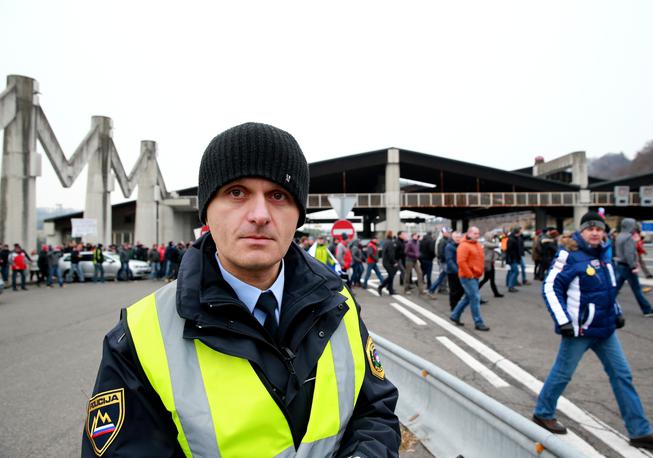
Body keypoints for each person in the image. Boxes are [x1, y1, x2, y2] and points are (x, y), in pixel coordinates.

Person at [82, 123, 400, 457]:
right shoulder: (139, 335)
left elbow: (375, 412)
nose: (260, 215)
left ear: (298, 215)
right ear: (207, 210)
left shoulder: (340, 304)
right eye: (236, 192)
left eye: (278, 195)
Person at [533, 211, 653, 450]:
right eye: (590, 228)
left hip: (605, 329)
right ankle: (542, 412)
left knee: (622, 376)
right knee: (563, 374)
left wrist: (617, 311)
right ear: (581, 231)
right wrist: (563, 321)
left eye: (599, 229)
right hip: (579, 330)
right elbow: (550, 287)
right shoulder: (569, 254)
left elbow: (608, 289)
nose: (595, 233)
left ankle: (640, 432)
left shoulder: (605, 253)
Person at [614, 218, 653, 317]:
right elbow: (629, 253)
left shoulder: (619, 236)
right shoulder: (628, 237)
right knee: (637, 290)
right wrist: (633, 266)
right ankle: (647, 310)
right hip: (628, 266)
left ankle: (604, 306)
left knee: (614, 289)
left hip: (620, 265)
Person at [450, 226, 489, 331]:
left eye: (478, 233)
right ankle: (478, 322)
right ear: (469, 233)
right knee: (475, 298)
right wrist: (469, 274)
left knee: (468, 297)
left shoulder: (476, 244)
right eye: (475, 233)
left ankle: (454, 315)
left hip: (475, 275)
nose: (477, 235)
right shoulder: (464, 246)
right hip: (468, 276)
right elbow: (461, 262)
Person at [479, 231, 503, 298]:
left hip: (490, 263)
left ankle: (496, 293)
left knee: (492, 279)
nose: (492, 237)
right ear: (488, 237)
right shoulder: (486, 243)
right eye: (491, 236)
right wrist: (497, 238)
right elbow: (497, 245)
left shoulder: (489, 242)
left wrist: (495, 237)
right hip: (487, 264)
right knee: (486, 279)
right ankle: (475, 290)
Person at [445, 231, 464, 311]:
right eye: (456, 237)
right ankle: (453, 307)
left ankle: (457, 304)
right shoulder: (449, 247)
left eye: (459, 237)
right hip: (452, 272)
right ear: (452, 237)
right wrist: (457, 270)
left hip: (461, 270)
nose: (458, 239)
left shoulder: (462, 245)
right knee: (453, 290)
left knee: (461, 289)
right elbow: (449, 260)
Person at [428, 228, 450, 294]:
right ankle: (441, 288)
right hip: (444, 261)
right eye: (447, 232)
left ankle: (434, 288)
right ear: (443, 233)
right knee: (443, 276)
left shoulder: (445, 240)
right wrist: (444, 259)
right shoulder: (442, 241)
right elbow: (440, 252)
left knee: (442, 276)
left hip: (444, 261)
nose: (449, 233)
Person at [378, 230, 398, 295]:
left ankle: (390, 289)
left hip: (385, 261)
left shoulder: (385, 242)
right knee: (391, 276)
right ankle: (381, 286)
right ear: (391, 235)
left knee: (390, 275)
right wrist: (394, 262)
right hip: (389, 262)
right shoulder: (390, 243)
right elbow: (391, 254)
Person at [506, 227, 522, 292]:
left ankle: (510, 285)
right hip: (512, 259)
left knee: (512, 272)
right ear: (516, 233)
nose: (520, 234)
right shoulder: (512, 239)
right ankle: (511, 286)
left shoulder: (513, 238)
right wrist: (512, 259)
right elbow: (510, 251)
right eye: (519, 233)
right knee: (515, 271)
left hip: (513, 258)